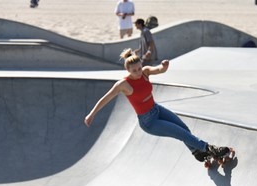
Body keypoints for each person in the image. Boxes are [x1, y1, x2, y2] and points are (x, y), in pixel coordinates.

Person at [84, 49, 230, 162]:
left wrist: (164, 66)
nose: (138, 72)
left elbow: (159, 70)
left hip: (156, 109)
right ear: (128, 70)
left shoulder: (145, 72)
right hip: (149, 122)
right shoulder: (123, 84)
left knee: (184, 129)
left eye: (139, 68)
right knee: (182, 134)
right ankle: (209, 149)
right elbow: (106, 98)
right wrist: (92, 114)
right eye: (134, 71)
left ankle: (197, 153)